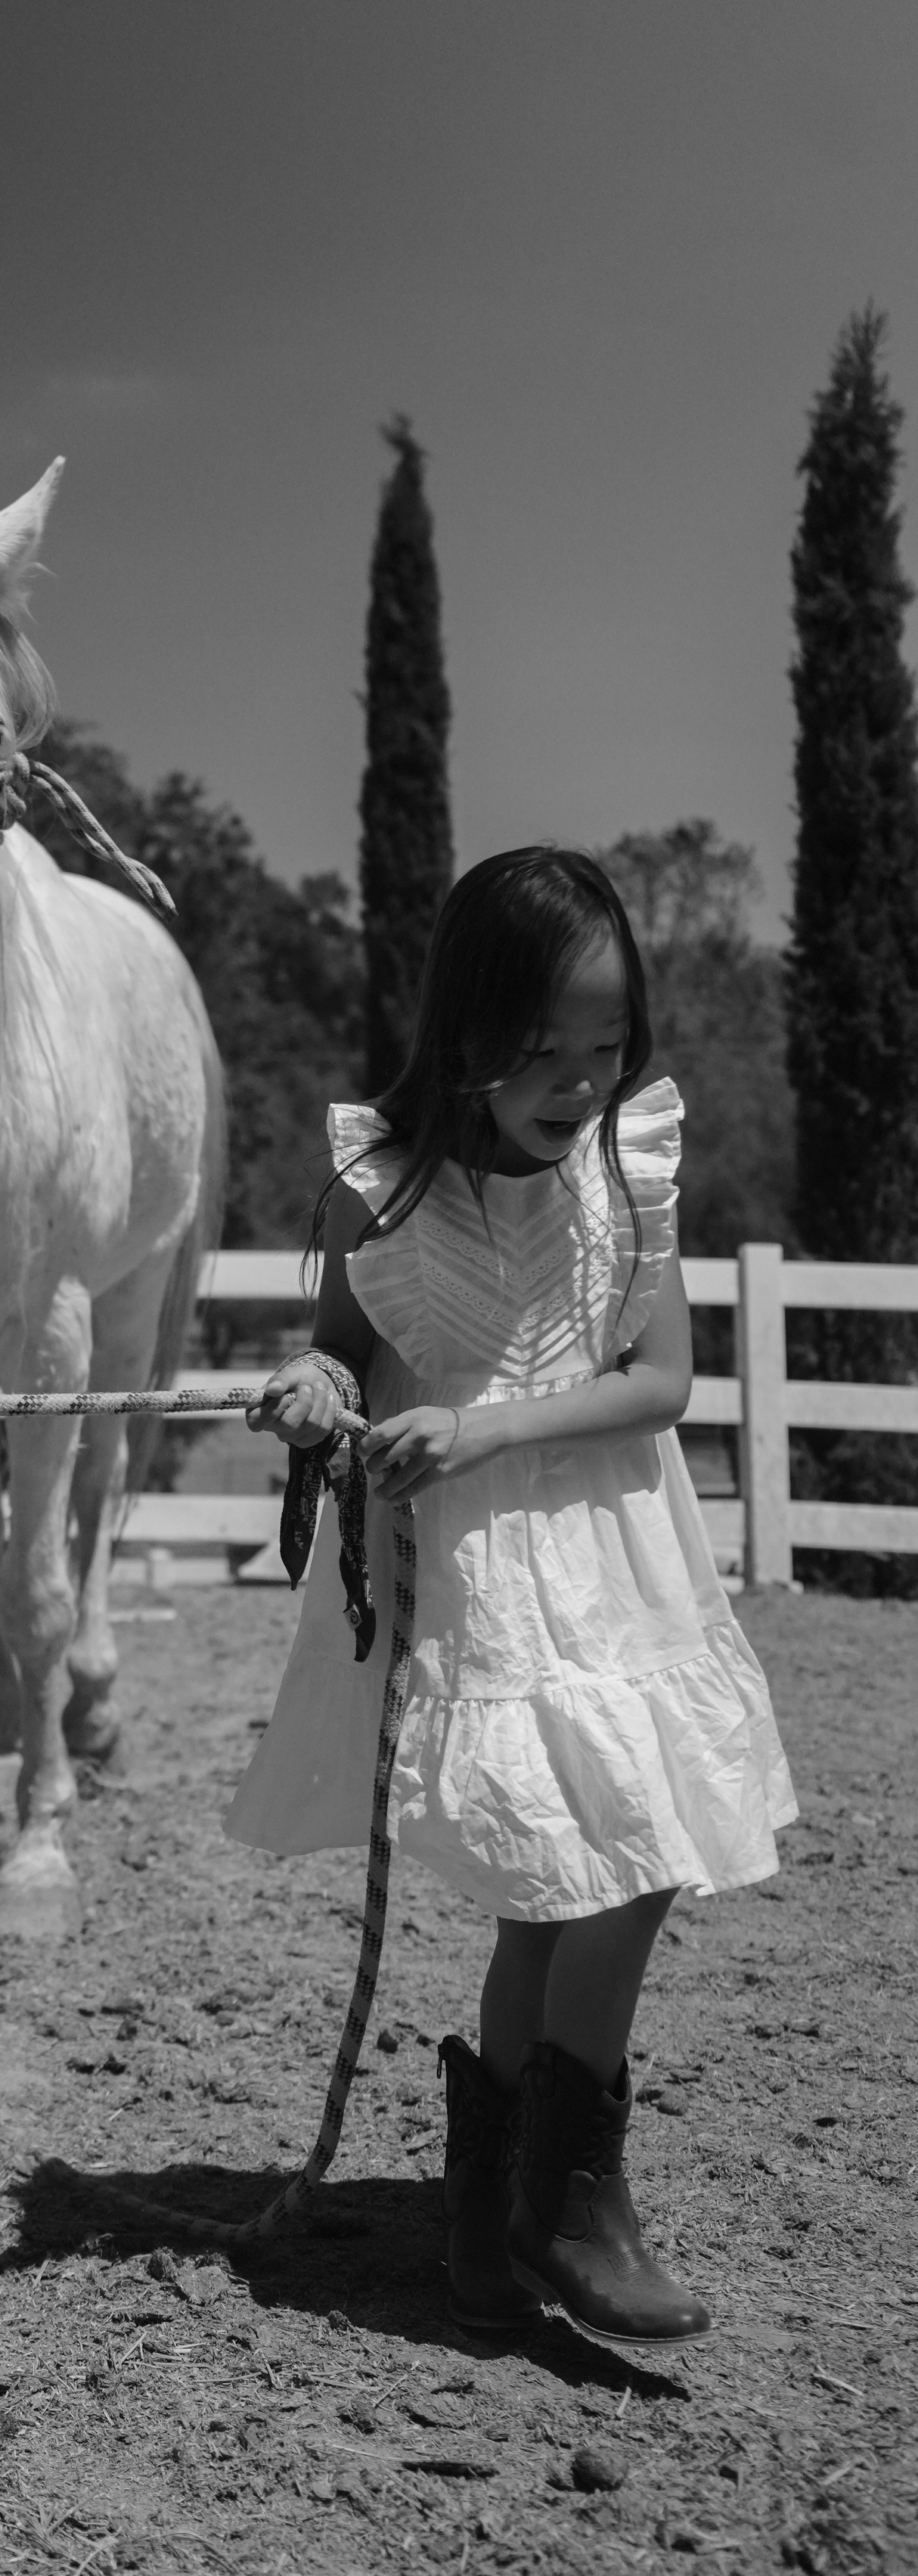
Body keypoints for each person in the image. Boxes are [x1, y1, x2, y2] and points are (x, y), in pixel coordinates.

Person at [228, 846, 794, 2348]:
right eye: (544, 1049)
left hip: (610, 1550)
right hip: (476, 1570)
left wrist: (487, 1426)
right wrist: (313, 1385)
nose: (579, 1082)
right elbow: (340, 1349)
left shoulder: (627, 1173)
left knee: (635, 1853)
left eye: (606, 1047)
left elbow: (660, 1382)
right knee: (553, 1881)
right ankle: (510, 2199)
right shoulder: (382, 1191)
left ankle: (556, 2187)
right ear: (467, 1029)